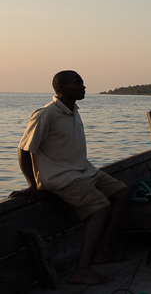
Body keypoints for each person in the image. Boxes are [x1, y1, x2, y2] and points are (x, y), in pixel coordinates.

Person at [9, 70, 130, 285]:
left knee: (122, 192)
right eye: (77, 83)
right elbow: (24, 150)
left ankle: (103, 250)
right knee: (101, 207)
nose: (83, 87)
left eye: (82, 82)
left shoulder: (73, 110)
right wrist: (32, 184)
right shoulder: (46, 114)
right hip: (61, 177)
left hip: (83, 170)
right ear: (61, 88)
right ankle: (81, 270)